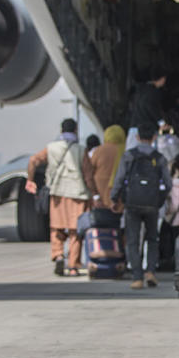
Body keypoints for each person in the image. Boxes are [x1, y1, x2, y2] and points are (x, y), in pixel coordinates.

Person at [111, 122, 172, 290]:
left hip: (132, 203)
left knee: (132, 240)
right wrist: (159, 199)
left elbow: (119, 179)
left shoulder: (129, 156)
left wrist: (114, 198)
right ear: (154, 138)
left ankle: (137, 277)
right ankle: (151, 271)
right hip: (152, 205)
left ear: (137, 137)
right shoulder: (159, 158)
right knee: (152, 238)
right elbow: (168, 184)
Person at [25, 118, 90, 276]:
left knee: (56, 227)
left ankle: (58, 254)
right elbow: (88, 175)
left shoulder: (51, 148)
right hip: (77, 193)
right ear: (75, 131)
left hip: (57, 194)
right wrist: (94, 193)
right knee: (75, 231)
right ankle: (73, 266)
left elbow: (33, 160)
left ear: (61, 131)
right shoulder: (81, 150)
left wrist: (30, 180)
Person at [82, 125, 126, 210]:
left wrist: (95, 195)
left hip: (100, 195)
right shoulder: (125, 151)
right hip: (119, 196)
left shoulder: (99, 151)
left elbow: (90, 172)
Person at [127, 69, 168, 150]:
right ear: (162, 79)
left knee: (131, 154)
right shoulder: (154, 92)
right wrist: (162, 123)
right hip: (147, 131)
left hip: (134, 128)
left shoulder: (139, 89)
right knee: (150, 155)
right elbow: (151, 107)